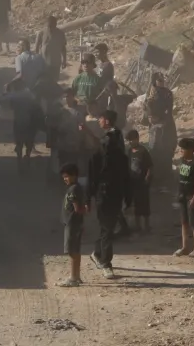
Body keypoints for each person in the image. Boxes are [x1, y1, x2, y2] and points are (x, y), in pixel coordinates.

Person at [87, 110, 131, 279]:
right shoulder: (115, 140)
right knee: (107, 227)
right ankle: (105, 261)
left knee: (108, 227)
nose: (98, 120)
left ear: (106, 120)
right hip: (106, 192)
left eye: (100, 118)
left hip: (111, 191)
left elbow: (95, 171)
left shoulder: (109, 144)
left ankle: (98, 254)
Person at [0, 78, 42, 174]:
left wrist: (5, 91)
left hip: (19, 123)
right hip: (30, 123)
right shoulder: (29, 95)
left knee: (19, 144)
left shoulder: (14, 96)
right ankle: (27, 157)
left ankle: (20, 162)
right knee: (29, 143)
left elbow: (1, 102)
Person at [143, 72, 178, 185]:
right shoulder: (150, 93)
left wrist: (163, 120)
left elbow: (169, 109)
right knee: (155, 149)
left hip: (166, 123)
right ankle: (157, 175)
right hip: (154, 126)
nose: (161, 82)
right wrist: (151, 118)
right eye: (159, 80)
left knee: (167, 148)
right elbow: (146, 108)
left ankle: (167, 175)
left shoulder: (167, 93)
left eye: (162, 80)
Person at [59, 163, 88, 287]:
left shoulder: (73, 189)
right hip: (77, 223)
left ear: (74, 175)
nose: (65, 179)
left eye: (67, 176)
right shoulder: (78, 187)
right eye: (63, 177)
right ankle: (77, 276)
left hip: (72, 223)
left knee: (71, 251)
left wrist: (84, 210)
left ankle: (73, 277)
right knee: (76, 249)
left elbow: (77, 208)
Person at [174, 137, 194, 257]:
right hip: (182, 194)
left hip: (191, 196)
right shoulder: (182, 160)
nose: (181, 150)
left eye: (183, 149)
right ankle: (185, 247)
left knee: (193, 222)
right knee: (184, 222)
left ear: (191, 150)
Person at [126, 129, 153, 233]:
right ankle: (138, 226)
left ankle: (146, 226)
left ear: (137, 139)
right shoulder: (129, 151)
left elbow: (150, 166)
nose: (130, 142)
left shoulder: (143, 151)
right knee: (136, 204)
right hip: (133, 182)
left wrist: (147, 177)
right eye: (128, 141)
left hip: (142, 182)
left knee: (145, 204)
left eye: (131, 140)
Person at [35, 15, 68, 83]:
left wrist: (64, 60)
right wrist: (36, 60)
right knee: (44, 81)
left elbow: (63, 48)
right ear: (46, 24)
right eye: (48, 26)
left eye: (51, 26)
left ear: (55, 24)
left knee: (54, 81)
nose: (49, 28)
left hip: (55, 63)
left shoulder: (60, 34)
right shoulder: (41, 33)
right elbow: (36, 48)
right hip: (44, 63)